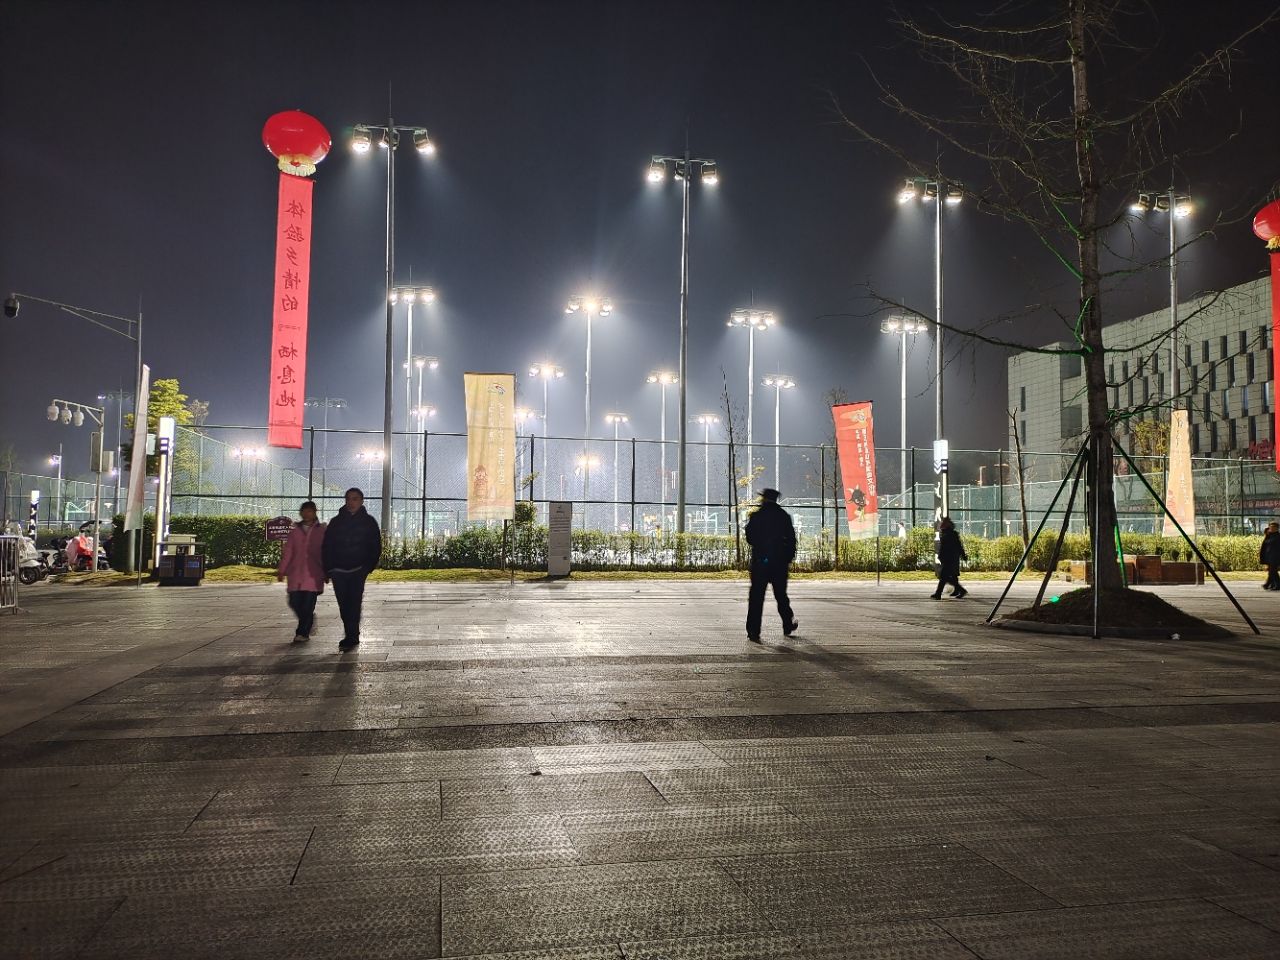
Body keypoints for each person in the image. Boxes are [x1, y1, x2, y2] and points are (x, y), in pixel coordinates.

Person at [321, 488, 382, 651]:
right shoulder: (336, 522)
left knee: (354, 602)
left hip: (358, 570)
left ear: (361, 501)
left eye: (355, 499)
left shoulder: (369, 522)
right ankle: (350, 631)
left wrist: (367, 567)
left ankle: (352, 635)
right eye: (348, 498)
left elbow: (375, 546)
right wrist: (328, 568)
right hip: (338, 570)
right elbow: (327, 546)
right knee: (343, 603)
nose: (351, 502)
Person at [744, 488, 798, 642]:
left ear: (764, 499)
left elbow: (750, 538)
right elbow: (791, 540)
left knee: (756, 597)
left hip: (760, 563)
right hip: (779, 563)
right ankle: (787, 624)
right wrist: (787, 558)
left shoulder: (756, 516)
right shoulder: (783, 516)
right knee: (781, 595)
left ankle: (753, 630)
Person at [277, 501, 327, 643]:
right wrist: (282, 570)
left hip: (314, 575)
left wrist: (327, 571)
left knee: (307, 605)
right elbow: (288, 552)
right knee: (294, 602)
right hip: (296, 575)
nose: (306, 514)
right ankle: (309, 619)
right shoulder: (294, 532)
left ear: (315, 512)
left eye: (309, 511)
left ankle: (302, 633)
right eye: (304, 511)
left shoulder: (321, 531)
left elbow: (326, 552)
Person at [932, 516, 968, 599]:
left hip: (949, 559)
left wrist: (963, 555)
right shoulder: (947, 533)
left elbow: (957, 546)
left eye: (943, 523)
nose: (941, 524)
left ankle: (939, 593)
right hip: (950, 558)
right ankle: (959, 590)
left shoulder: (950, 534)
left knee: (943, 576)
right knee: (950, 576)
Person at [1260, 521, 1280, 590]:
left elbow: (1271, 543)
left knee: (1273, 571)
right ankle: (1269, 584)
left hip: (1275, 557)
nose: (1270, 528)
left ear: (1276, 528)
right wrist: (1267, 534)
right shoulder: (1269, 536)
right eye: (1270, 527)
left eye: (1272, 527)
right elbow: (1265, 544)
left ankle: (1277, 585)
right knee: (1271, 571)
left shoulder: (1277, 537)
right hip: (1269, 557)